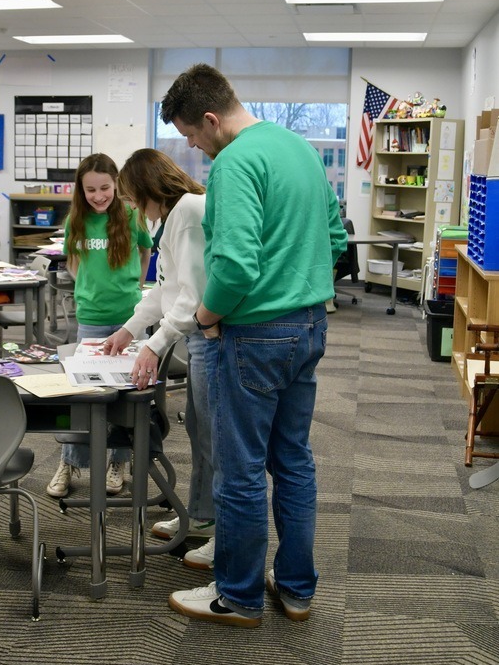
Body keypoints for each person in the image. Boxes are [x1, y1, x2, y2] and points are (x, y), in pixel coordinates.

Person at [160, 63, 347, 628]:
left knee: (239, 471)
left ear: (211, 118)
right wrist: (297, 283)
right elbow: (336, 238)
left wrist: (205, 317)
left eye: (192, 135)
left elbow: (236, 267)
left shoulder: (236, 162)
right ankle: (295, 590)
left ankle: (237, 595)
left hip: (252, 336)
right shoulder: (300, 149)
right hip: (309, 327)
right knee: (292, 462)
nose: (194, 148)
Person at [103, 149, 216, 567]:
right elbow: (165, 290)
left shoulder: (187, 211)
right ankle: (203, 517)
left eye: (133, 198)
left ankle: (225, 532)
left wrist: (155, 343)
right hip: (197, 336)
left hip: (209, 336)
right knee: (200, 432)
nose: (133, 208)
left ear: (150, 188)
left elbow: (195, 294)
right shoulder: (175, 216)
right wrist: (130, 330)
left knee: (215, 440)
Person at [46, 153, 152, 499]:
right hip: (91, 317)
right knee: (84, 394)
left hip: (129, 317)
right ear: (81, 190)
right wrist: (88, 288)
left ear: (116, 184)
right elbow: (73, 261)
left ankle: (118, 461)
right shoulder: (75, 220)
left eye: (105, 187)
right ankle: (70, 460)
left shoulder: (133, 214)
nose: (99, 195)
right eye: (90, 190)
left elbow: (145, 251)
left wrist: (135, 287)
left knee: (126, 393)